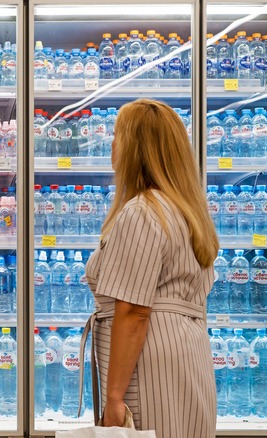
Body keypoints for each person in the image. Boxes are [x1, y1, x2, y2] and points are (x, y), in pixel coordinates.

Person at [83, 98, 219, 437]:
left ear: (134, 148)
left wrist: (114, 399)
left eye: (117, 135)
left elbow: (133, 311)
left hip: (147, 363)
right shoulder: (185, 210)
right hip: (187, 354)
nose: (111, 145)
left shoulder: (143, 211)